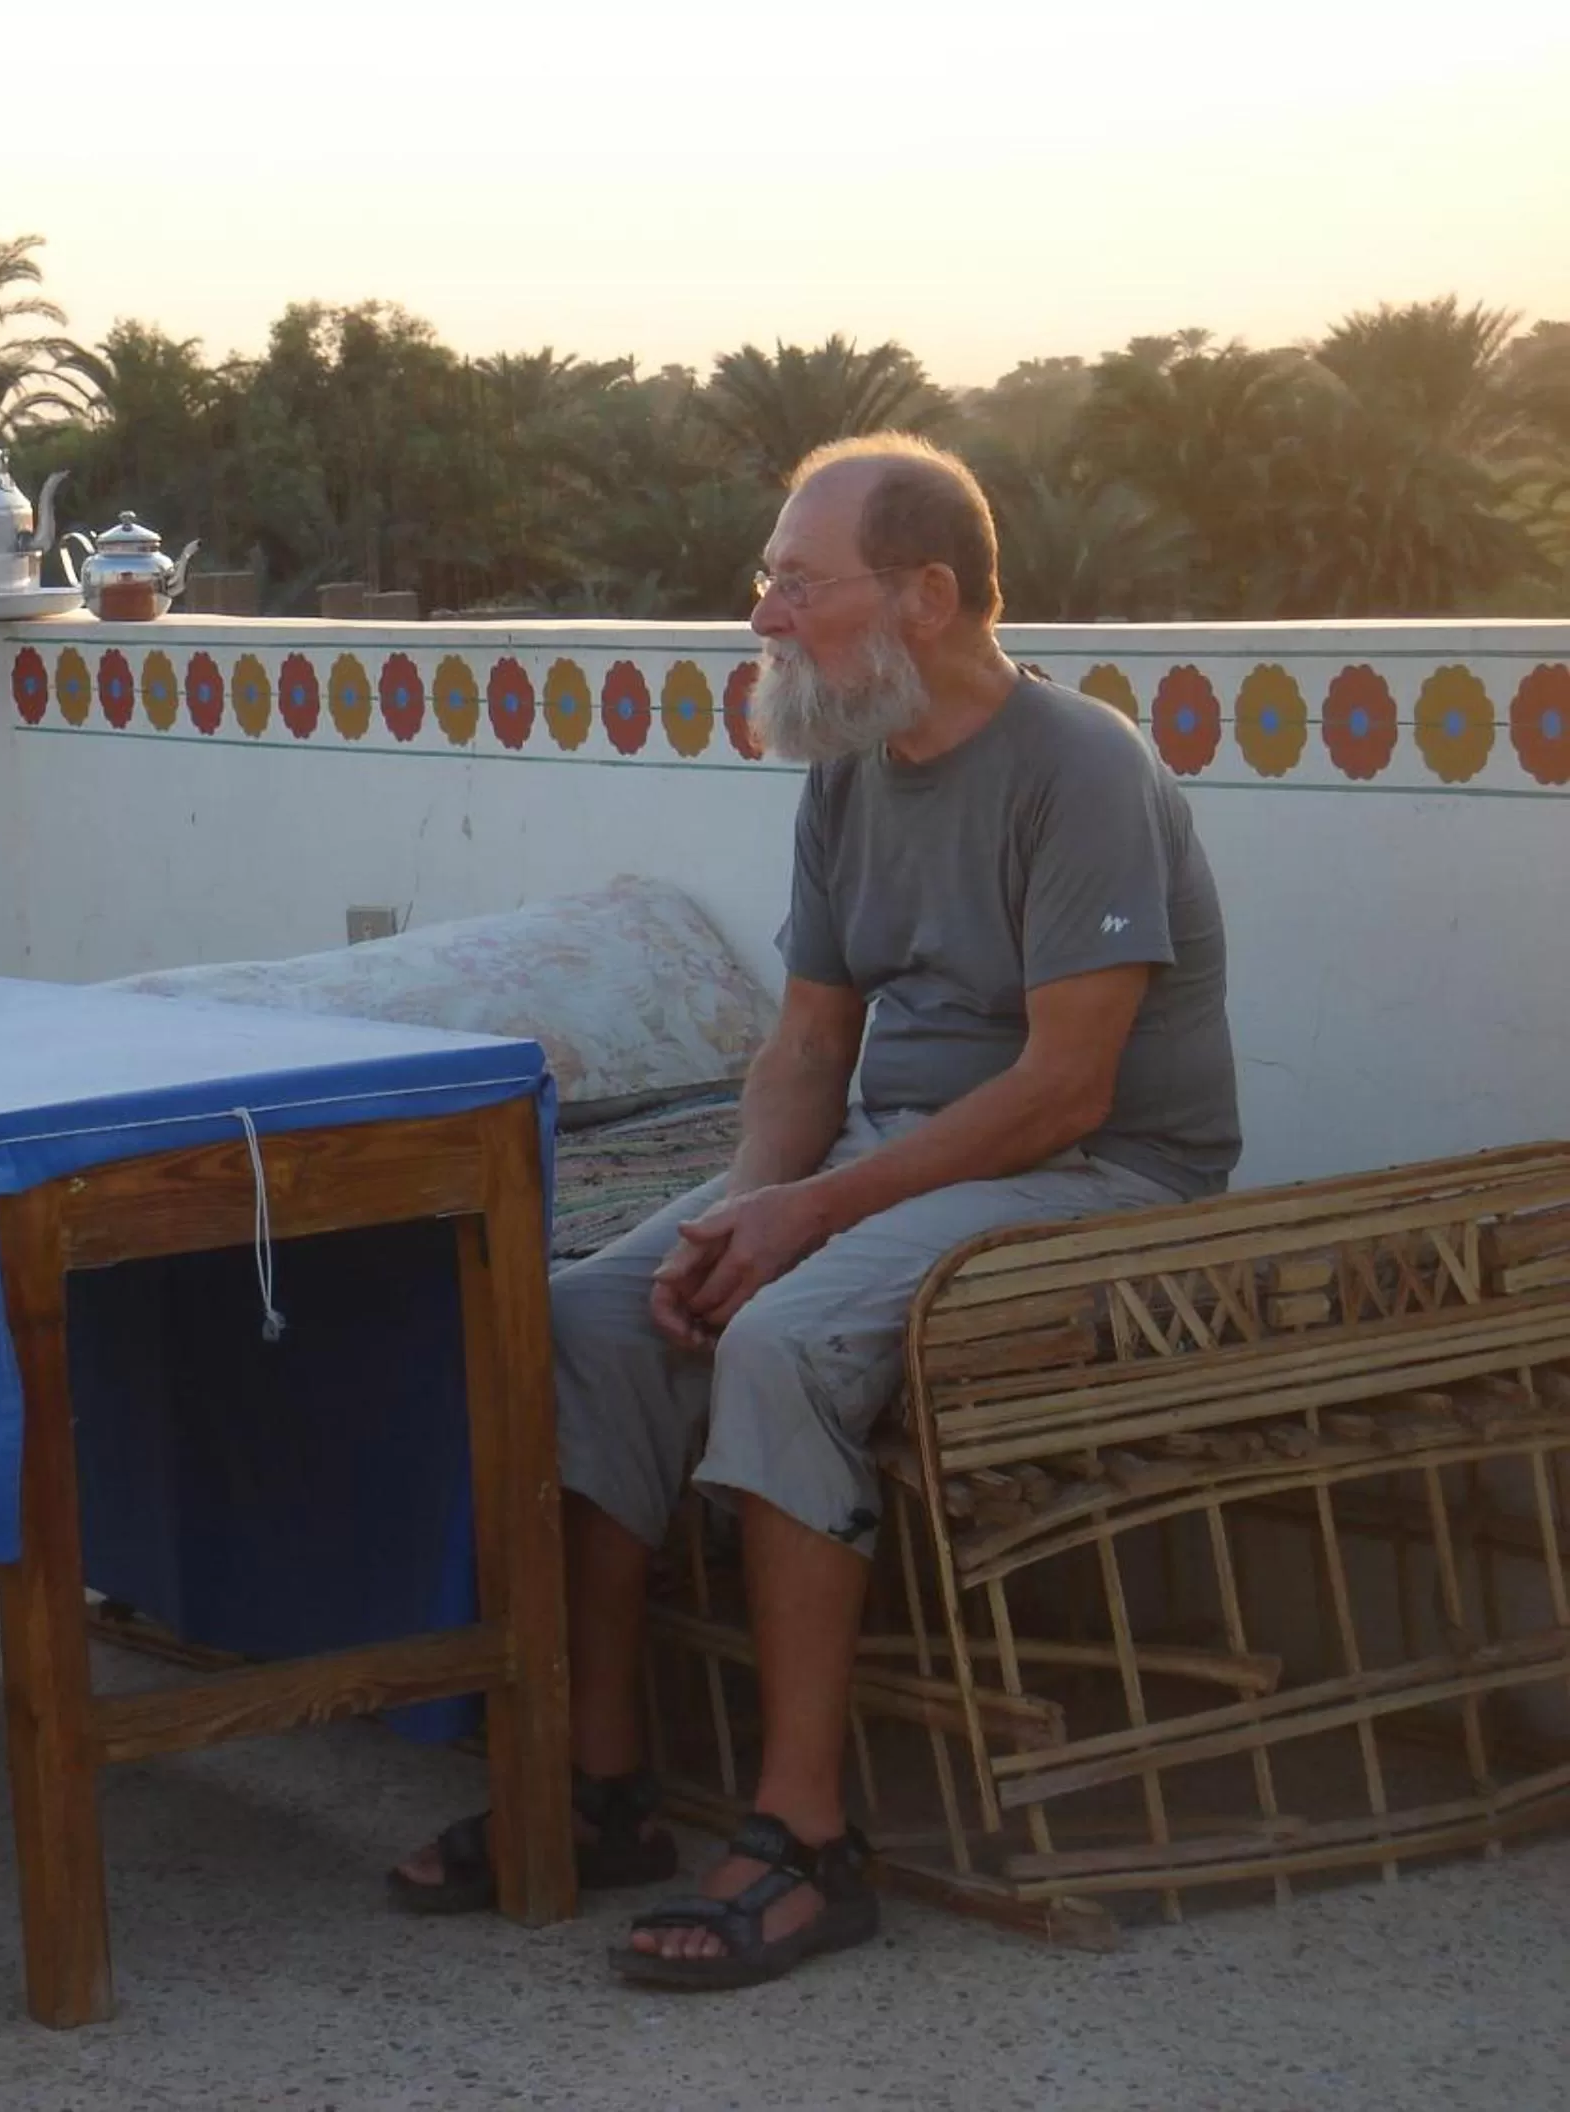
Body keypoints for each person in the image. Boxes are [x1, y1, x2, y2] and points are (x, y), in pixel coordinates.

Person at [388, 432, 1238, 1989]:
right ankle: (603, 1789)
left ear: (924, 596)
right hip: (899, 1147)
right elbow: (804, 1047)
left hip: (1099, 1178)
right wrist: (752, 1206)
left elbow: (1067, 1094)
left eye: (797, 582)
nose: (766, 618)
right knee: (593, 1308)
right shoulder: (853, 771)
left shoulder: (1083, 767)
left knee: (778, 1336)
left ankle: (806, 1839)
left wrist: (804, 1226)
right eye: (764, 582)